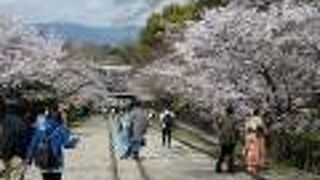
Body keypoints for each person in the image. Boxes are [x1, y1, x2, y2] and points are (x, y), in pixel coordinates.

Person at [25, 103, 79, 180]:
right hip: (56, 162)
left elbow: (33, 144)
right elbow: (67, 144)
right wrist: (75, 141)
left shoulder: (40, 128)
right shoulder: (60, 128)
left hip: (43, 162)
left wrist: (29, 159)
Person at [1, 89, 25, 180]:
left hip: (5, 154)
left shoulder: (3, 121)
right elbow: (23, 138)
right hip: (17, 154)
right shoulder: (20, 121)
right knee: (16, 176)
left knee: (7, 176)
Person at [243, 109, 266, 177]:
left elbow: (246, 128)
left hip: (249, 136)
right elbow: (261, 128)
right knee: (256, 151)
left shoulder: (249, 120)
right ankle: (255, 166)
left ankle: (249, 166)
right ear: (258, 113)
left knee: (249, 150)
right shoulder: (259, 119)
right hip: (256, 136)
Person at [215, 106, 238, 173]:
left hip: (228, 138)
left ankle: (228, 167)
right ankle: (224, 167)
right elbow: (235, 128)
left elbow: (219, 125)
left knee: (227, 153)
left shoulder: (226, 118)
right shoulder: (227, 118)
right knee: (225, 153)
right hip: (227, 138)